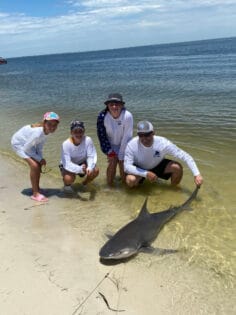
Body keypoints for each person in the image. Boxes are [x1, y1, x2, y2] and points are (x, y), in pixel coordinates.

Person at [124, 121, 203, 188]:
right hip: (140, 167)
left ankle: (173, 191)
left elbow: (185, 156)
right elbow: (127, 167)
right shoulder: (131, 145)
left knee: (177, 167)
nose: (144, 138)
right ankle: (135, 197)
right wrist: (146, 173)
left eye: (147, 134)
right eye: (141, 135)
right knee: (130, 180)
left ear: (153, 133)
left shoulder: (163, 143)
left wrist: (196, 174)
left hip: (157, 165)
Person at [11, 112, 60, 202]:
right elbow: (26, 149)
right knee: (34, 166)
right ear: (44, 123)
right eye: (50, 124)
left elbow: (39, 147)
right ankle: (35, 194)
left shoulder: (46, 132)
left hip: (28, 144)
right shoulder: (37, 133)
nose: (52, 127)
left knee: (38, 164)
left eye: (55, 125)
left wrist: (41, 158)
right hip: (19, 144)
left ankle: (37, 188)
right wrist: (39, 159)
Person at [97, 93, 133, 186]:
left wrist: (121, 156)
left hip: (125, 144)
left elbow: (127, 137)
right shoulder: (102, 116)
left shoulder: (127, 116)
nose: (114, 106)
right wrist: (109, 151)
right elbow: (102, 136)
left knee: (122, 163)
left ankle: (126, 187)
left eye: (117, 104)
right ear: (107, 106)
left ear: (122, 105)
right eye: (111, 104)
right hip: (110, 144)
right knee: (112, 161)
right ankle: (109, 186)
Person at [60, 120, 99, 194]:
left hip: (82, 163)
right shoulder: (65, 144)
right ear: (71, 133)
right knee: (68, 178)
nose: (78, 134)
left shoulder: (88, 140)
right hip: (68, 164)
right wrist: (79, 169)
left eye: (80, 131)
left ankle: (84, 184)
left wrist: (89, 167)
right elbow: (67, 163)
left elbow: (91, 156)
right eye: (75, 131)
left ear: (84, 131)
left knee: (95, 170)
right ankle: (67, 186)